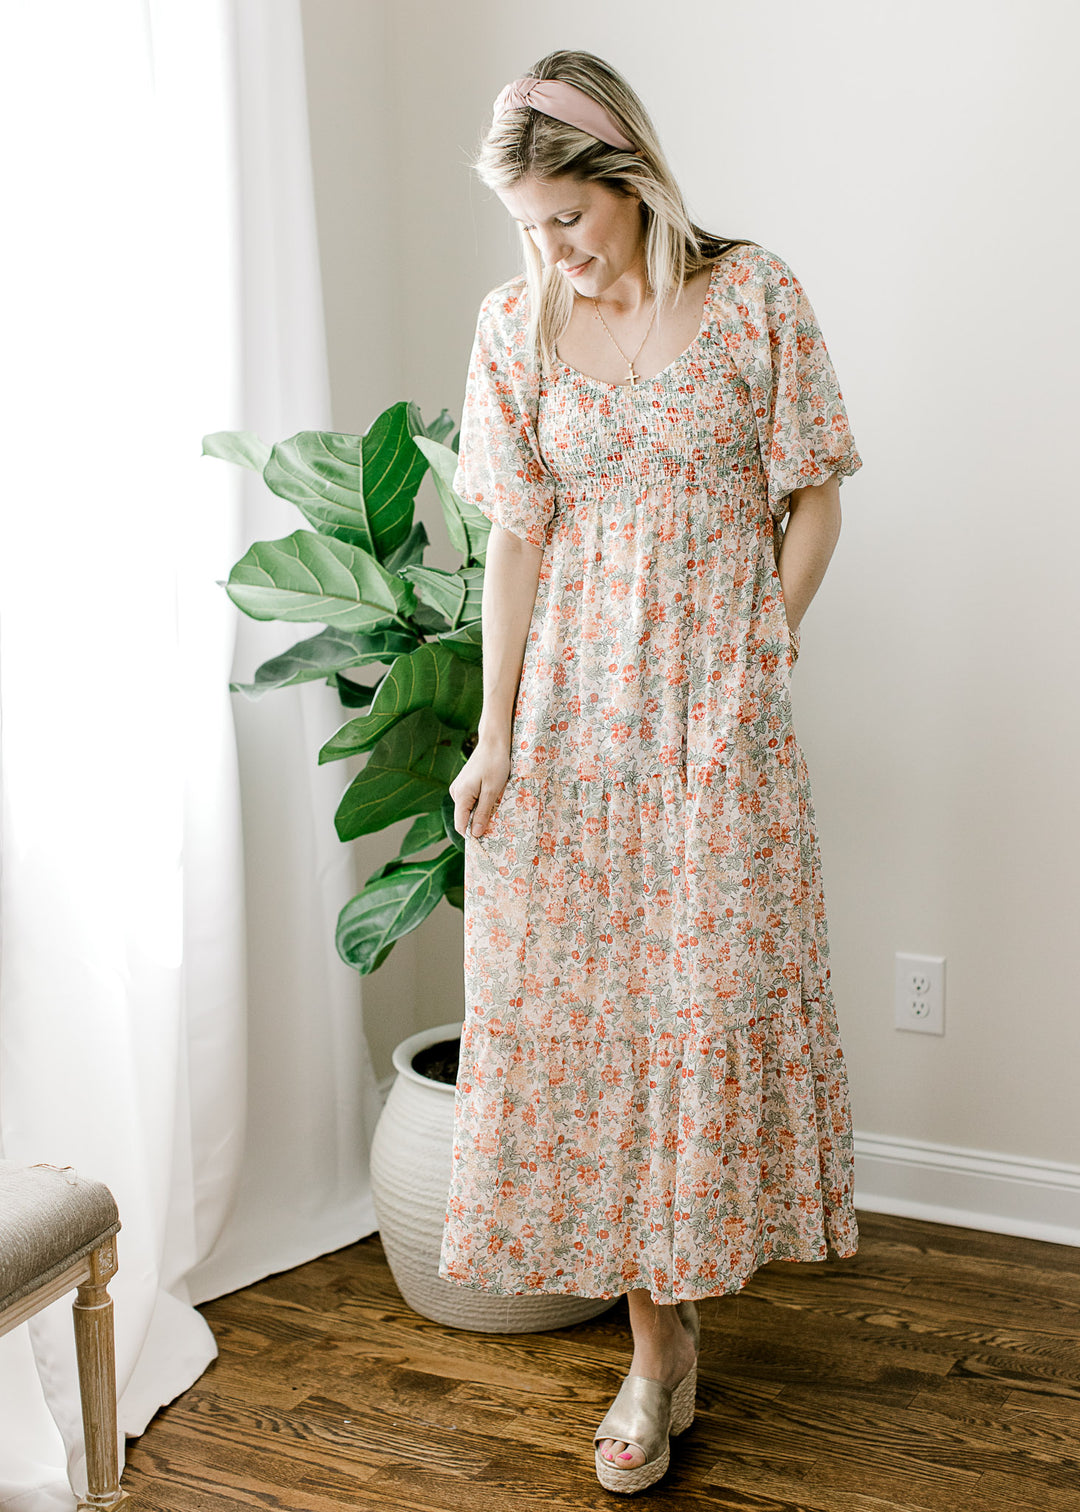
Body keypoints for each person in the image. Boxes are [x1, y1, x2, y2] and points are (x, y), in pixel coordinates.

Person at [442, 48, 863, 1495]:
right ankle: (650, 1353)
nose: (546, 248)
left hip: (712, 715)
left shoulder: (753, 298)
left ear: (626, 184)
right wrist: (497, 732)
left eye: (563, 217)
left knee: (696, 1000)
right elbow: (516, 539)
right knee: (597, 1018)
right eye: (525, 224)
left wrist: (764, 649)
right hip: (571, 718)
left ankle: (679, 1315)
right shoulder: (514, 329)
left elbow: (812, 492)